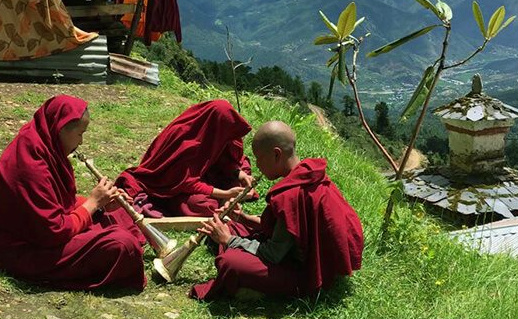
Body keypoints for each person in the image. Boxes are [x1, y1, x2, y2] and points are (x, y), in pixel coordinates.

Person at [0, 95, 146, 291]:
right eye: (80, 134)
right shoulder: (30, 163)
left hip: (46, 231)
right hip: (21, 250)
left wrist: (103, 203)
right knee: (122, 245)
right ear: (60, 129)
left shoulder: (46, 143)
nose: (81, 142)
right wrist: (92, 204)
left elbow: (56, 201)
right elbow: (54, 232)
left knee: (118, 212)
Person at [191, 121, 364, 300]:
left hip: (305, 271)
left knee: (230, 263)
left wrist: (228, 240)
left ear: (276, 154)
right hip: (293, 250)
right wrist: (242, 218)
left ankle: (255, 288)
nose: (257, 165)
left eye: (259, 158)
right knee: (232, 227)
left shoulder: (292, 194)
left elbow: (272, 254)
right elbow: (286, 228)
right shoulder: (308, 172)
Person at [116, 99, 256, 217]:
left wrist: (239, 173)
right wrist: (225, 194)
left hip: (206, 173)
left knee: (244, 166)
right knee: (202, 205)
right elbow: (185, 182)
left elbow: (225, 159)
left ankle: (229, 199)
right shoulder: (185, 139)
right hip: (172, 185)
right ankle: (227, 201)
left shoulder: (216, 131)